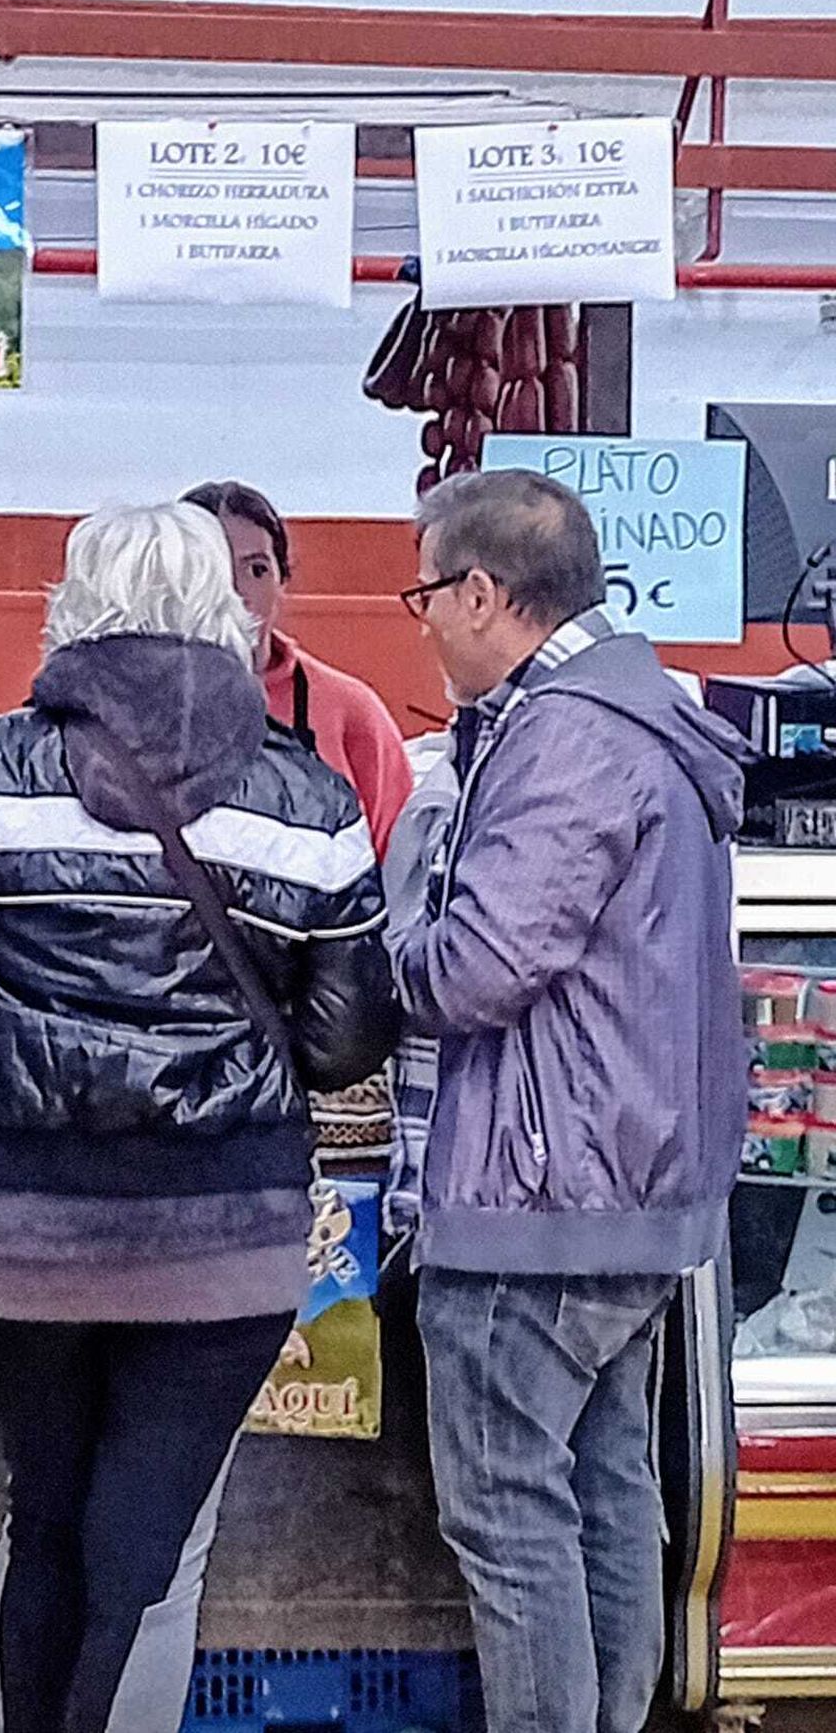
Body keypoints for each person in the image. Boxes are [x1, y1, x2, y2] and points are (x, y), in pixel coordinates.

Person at [0, 502, 397, 1733]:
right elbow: (353, 1034)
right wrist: (255, 1058)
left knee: (43, 1511)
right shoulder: (306, 802)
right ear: (223, 610)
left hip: (17, 1230)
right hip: (225, 1235)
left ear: (71, 604)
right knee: (139, 1548)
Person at [383, 468, 749, 1733]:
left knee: (506, 1511)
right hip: (631, 1188)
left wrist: (367, 958)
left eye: (424, 593)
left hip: (540, 1191)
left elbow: (479, 967)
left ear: (483, 594)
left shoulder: (568, 735)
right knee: (601, 1491)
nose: (418, 619)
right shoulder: (635, 718)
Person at [181, 479, 412, 858]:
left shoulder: (350, 711)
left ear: (282, 580)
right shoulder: (131, 707)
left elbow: (401, 865)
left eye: (256, 570)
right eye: (210, 569)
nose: (235, 591)